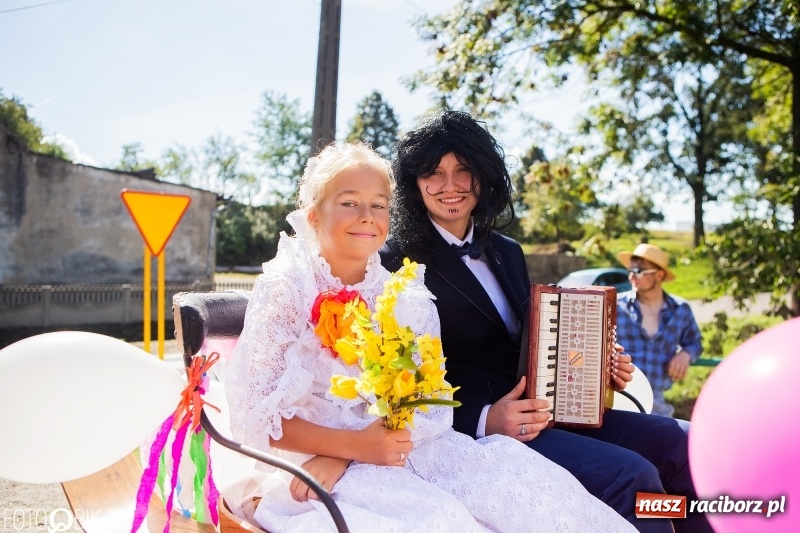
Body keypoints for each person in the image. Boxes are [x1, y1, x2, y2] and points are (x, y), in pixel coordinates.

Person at [224, 142, 634, 532]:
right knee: (441, 519)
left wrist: (363, 450)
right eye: (349, 202)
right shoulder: (286, 288)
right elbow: (256, 416)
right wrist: (351, 449)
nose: (367, 215)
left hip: (409, 447)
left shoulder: (406, 295)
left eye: (379, 205)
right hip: (315, 460)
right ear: (313, 215)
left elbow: (431, 402)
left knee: (534, 489)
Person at [380, 110, 712, 533]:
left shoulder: (507, 251)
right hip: (481, 431)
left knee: (680, 444)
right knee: (634, 478)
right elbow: (393, 383)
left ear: (483, 176)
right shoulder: (394, 263)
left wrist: (595, 364)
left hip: (552, 408)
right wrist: (484, 418)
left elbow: (535, 341)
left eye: (463, 170)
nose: (450, 186)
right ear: (414, 182)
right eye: (434, 173)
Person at [616, 243, 703, 417]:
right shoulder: (615, 305)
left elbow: (695, 342)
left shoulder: (680, 309)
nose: (632, 276)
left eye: (639, 271)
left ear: (659, 275)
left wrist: (685, 354)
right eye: (630, 270)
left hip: (659, 408)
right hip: (618, 403)